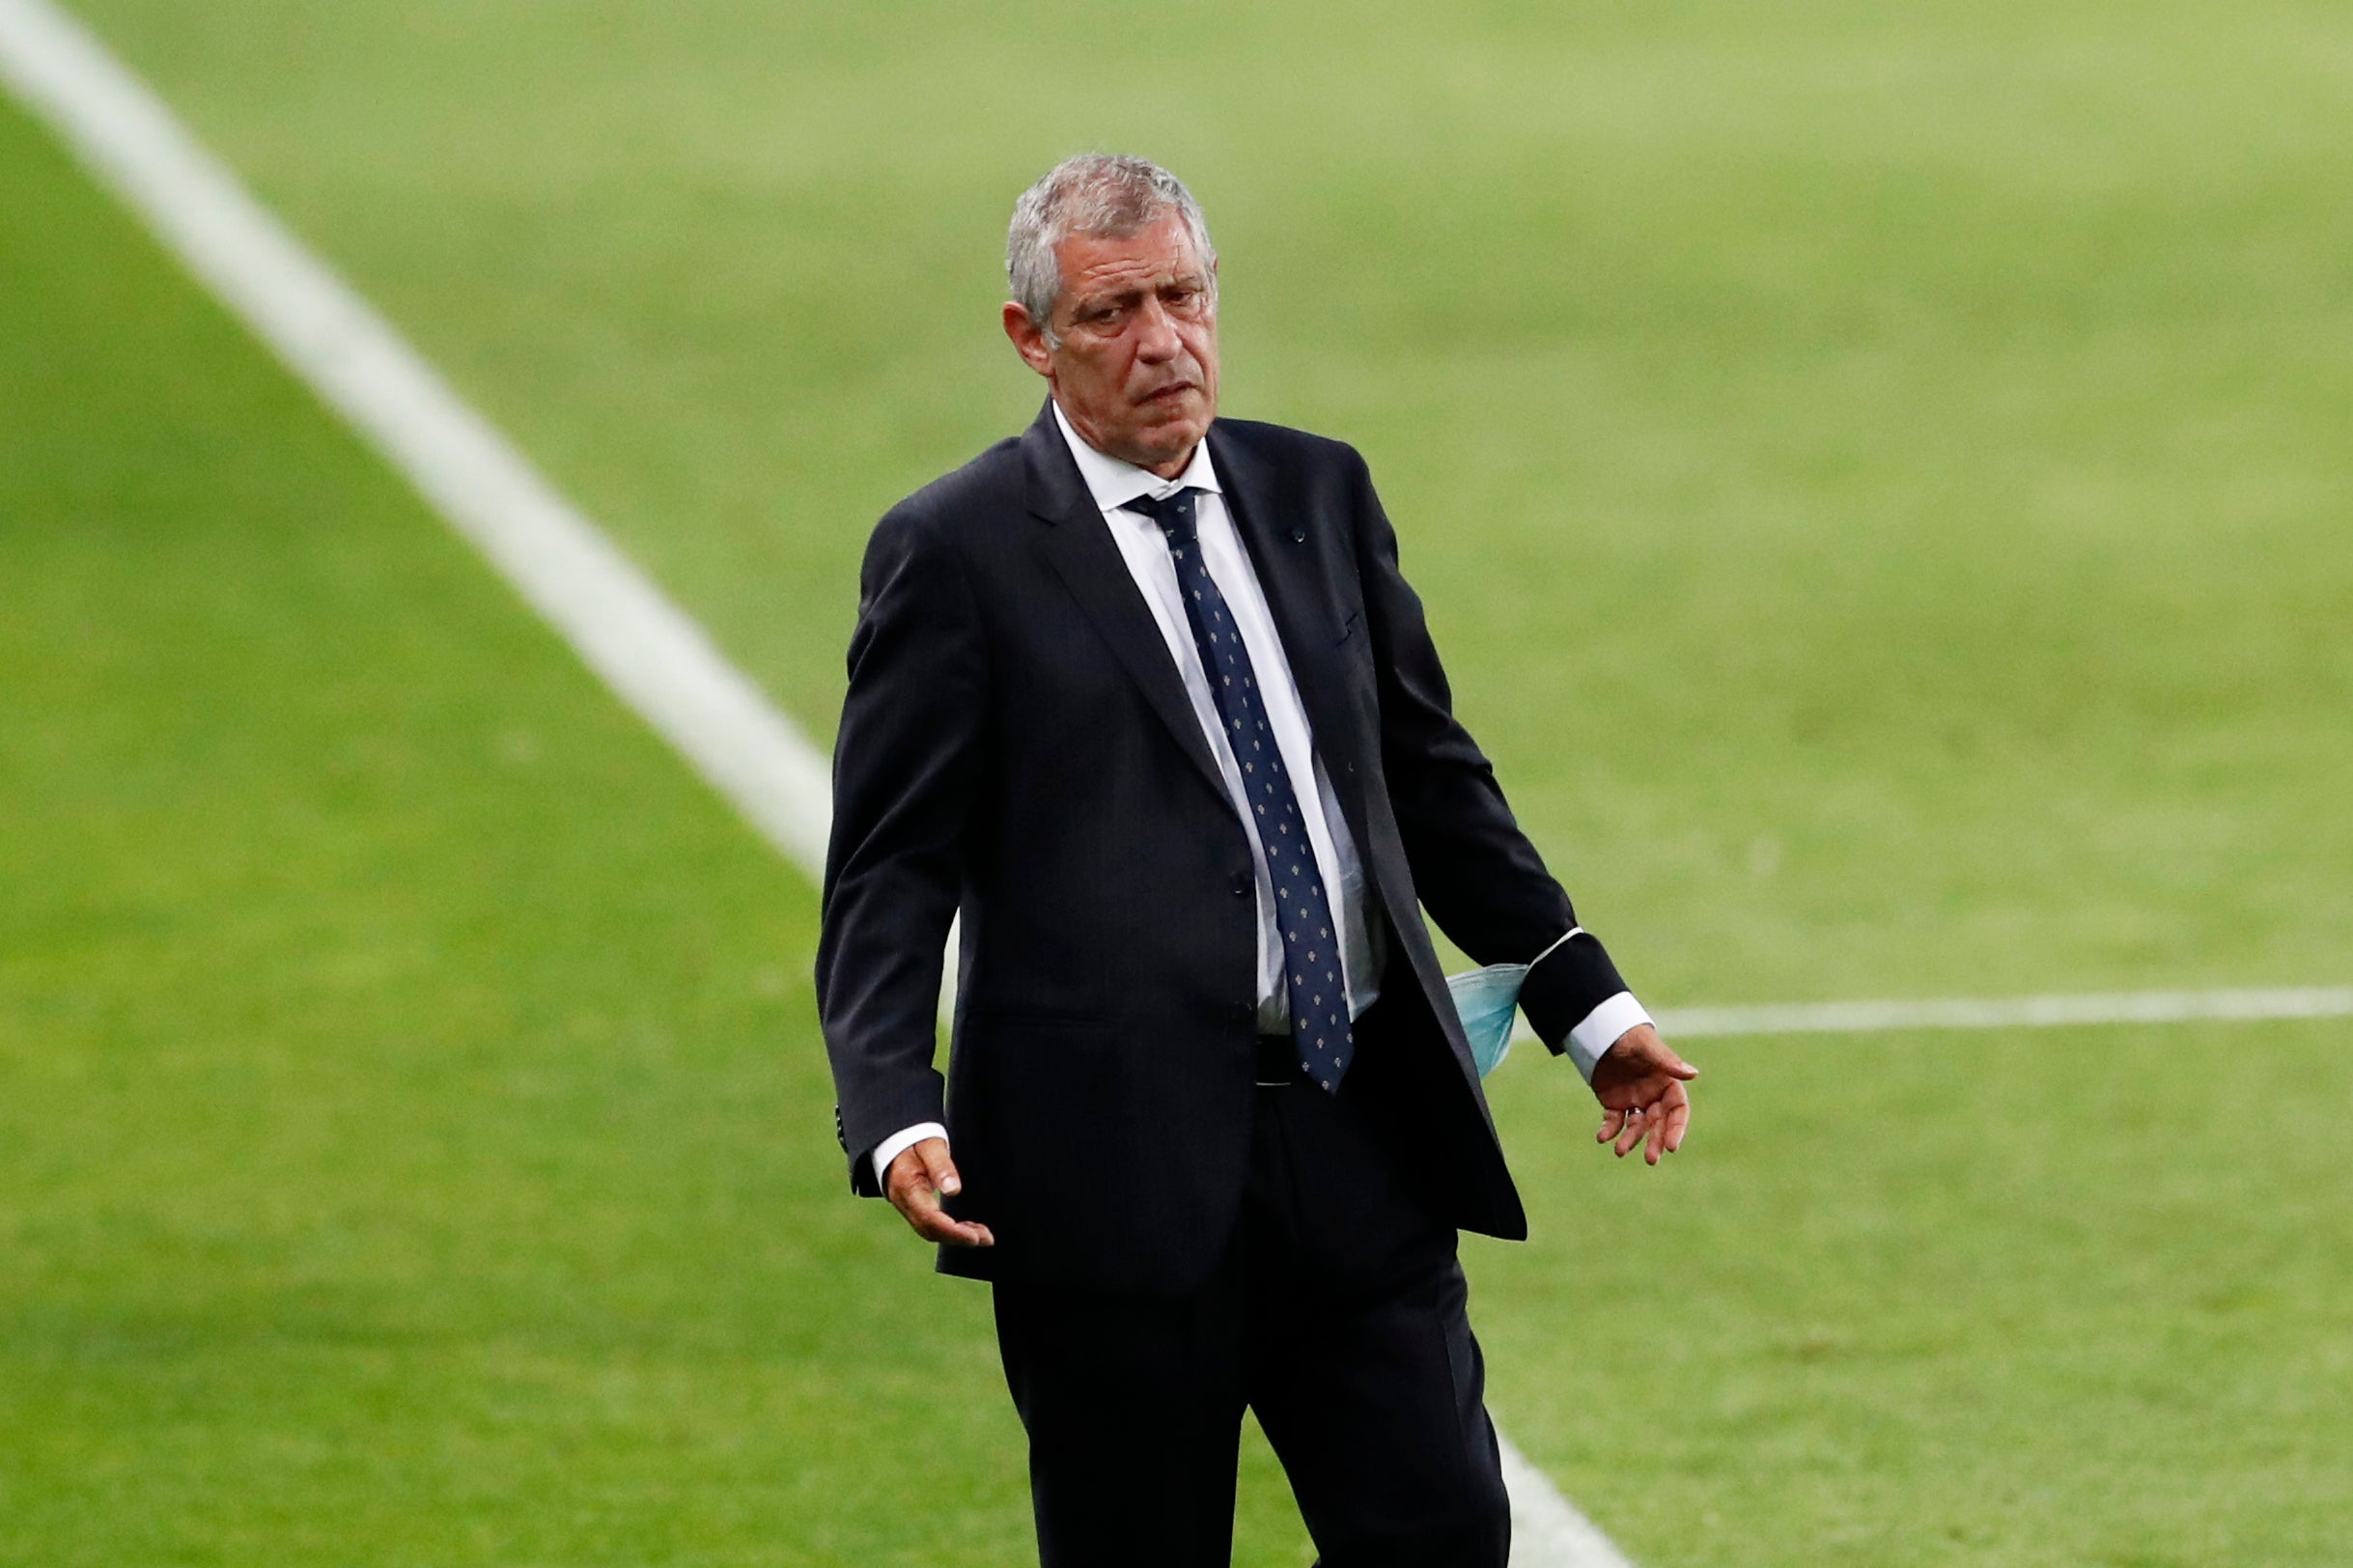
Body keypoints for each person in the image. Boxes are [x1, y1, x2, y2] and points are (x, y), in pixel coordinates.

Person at [816, 154, 1697, 1568]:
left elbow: (1429, 783)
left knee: (1442, 1534)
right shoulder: (954, 552)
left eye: (1184, 295)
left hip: (1360, 1132)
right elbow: (889, 864)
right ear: (1029, 339)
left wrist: (1586, 1007)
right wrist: (888, 1109)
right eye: (1110, 314)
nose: (1163, 342)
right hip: (1105, 1174)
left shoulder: (1315, 491)